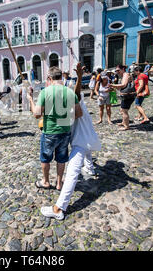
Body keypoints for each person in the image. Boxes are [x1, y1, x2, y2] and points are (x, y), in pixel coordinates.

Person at [40, 63, 101, 220]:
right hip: (85, 138)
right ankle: (91, 169)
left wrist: (80, 77)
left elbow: (77, 94)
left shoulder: (74, 99)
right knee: (86, 156)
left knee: (72, 172)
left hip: (80, 140)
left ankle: (59, 208)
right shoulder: (70, 98)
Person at [27, 66, 83, 191]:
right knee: (61, 158)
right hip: (65, 131)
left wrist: (30, 99)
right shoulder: (69, 92)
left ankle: (46, 181)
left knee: (46, 158)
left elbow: (36, 114)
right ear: (62, 77)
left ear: (49, 78)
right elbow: (79, 114)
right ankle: (59, 183)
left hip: (50, 131)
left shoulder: (45, 92)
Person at [110, 65, 136, 131]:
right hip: (127, 95)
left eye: (118, 70)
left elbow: (123, 85)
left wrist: (112, 85)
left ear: (123, 69)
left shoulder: (125, 75)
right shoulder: (124, 75)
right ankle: (123, 122)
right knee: (122, 109)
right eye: (116, 71)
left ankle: (126, 126)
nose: (117, 72)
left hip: (128, 95)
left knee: (124, 111)